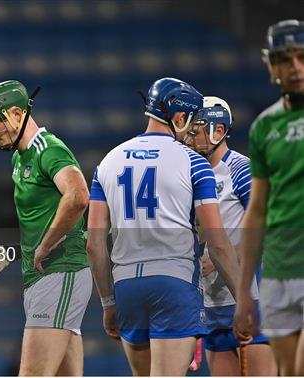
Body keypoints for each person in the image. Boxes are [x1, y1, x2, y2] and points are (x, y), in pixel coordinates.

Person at [87, 77, 241, 376]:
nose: (194, 131)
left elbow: (94, 245)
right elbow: (218, 244)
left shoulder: (106, 162)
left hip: (126, 286)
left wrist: (108, 303)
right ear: (179, 117)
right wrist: (244, 301)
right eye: (192, 122)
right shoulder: (194, 162)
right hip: (174, 284)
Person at [0, 80, 92, 376]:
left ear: (15, 113)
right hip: (44, 277)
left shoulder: (47, 148)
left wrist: (46, 244)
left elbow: (78, 195)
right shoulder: (20, 156)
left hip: (60, 270)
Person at [183, 96, 276, 375]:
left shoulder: (241, 169)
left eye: (195, 130)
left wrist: (224, 254)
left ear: (218, 131)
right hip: (212, 305)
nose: (189, 138)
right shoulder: (190, 177)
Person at [234, 19, 304, 376]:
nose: (295, 68)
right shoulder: (264, 127)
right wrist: (245, 290)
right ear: (270, 65)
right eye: (284, 59)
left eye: (301, 57)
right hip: (279, 270)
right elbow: (256, 212)